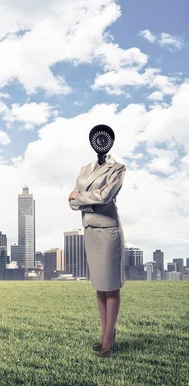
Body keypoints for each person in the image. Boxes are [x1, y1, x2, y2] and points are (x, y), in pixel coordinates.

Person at [68, 125, 126, 359]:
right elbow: (70, 202)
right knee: (99, 286)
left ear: (110, 142)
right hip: (91, 230)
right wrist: (88, 199)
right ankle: (103, 334)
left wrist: (81, 198)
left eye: (105, 139)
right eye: (97, 138)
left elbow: (106, 196)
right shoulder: (84, 170)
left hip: (109, 231)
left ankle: (109, 339)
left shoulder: (118, 168)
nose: (101, 142)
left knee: (111, 285)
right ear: (92, 142)